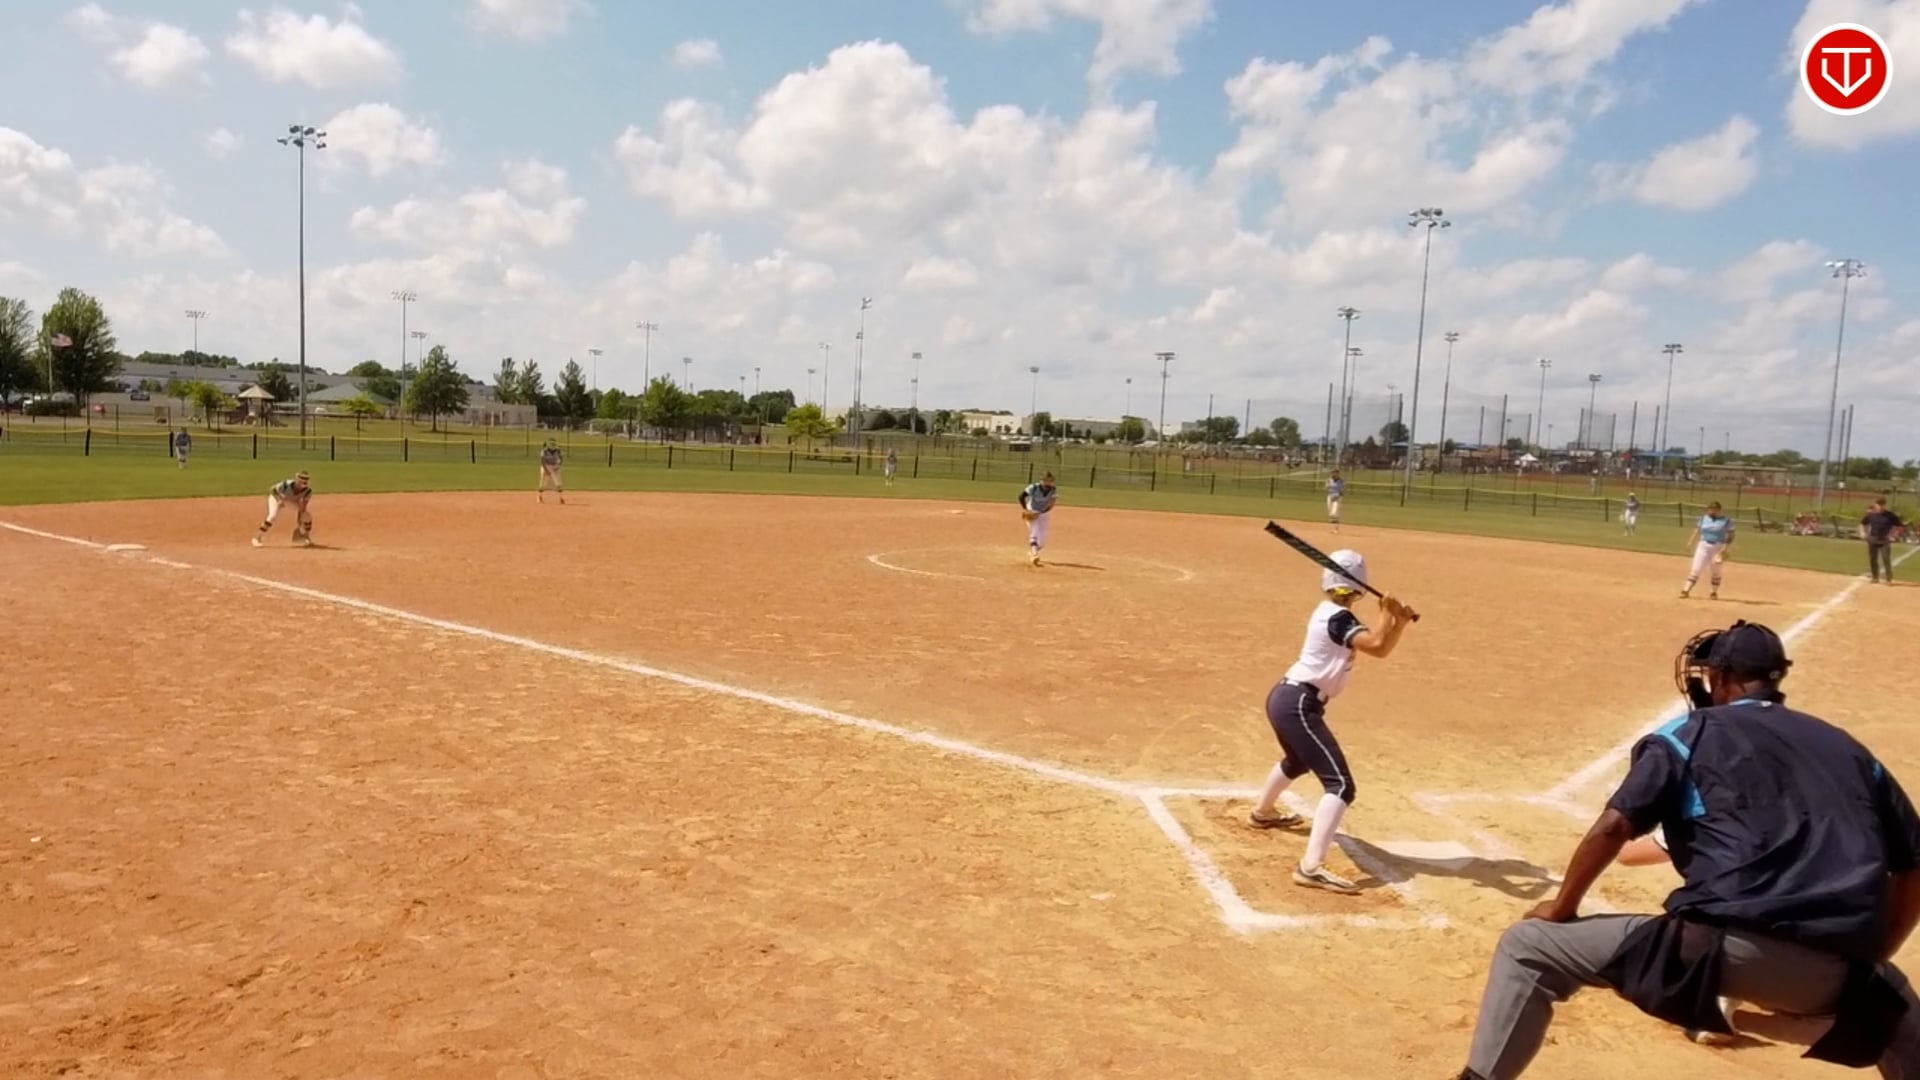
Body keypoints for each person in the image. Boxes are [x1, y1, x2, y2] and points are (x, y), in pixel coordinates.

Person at [1453, 621, 1920, 1079]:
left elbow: (1614, 827)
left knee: (1527, 946)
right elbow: (1913, 867)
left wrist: (1561, 906)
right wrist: (1874, 959)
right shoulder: (1850, 750)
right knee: (1900, 1011)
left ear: (1720, 676)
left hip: (1718, 953)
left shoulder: (1690, 732)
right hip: (1836, 974)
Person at [1248, 549, 1417, 894]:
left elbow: (1382, 647)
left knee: (1297, 761)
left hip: (1288, 698)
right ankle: (1310, 868)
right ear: (1358, 586)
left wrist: (1397, 621)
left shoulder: (1333, 614)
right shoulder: (1338, 618)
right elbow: (1375, 643)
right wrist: (1386, 612)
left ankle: (1262, 814)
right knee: (1340, 786)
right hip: (1298, 704)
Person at [1681, 501, 1734, 600]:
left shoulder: (1726, 521)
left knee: (1716, 571)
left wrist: (1724, 549)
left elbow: (1731, 536)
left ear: (1719, 510)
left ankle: (1713, 592)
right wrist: (1690, 542)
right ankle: (1685, 591)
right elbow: (1697, 530)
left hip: (1718, 547)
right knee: (1696, 568)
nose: (1712, 511)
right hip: (1703, 546)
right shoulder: (1703, 518)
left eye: (1714, 509)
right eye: (1710, 509)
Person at [253, 471, 313, 547]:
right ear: (296, 480)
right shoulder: (286, 484)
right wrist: (279, 500)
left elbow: (302, 509)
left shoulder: (307, 491)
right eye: (300, 482)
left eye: (304, 483)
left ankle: (306, 536)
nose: (302, 485)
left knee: (307, 516)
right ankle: (257, 538)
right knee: (272, 517)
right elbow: (273, 490)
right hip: (276, 498)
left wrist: (299, 524)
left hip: (289, 501)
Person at [1019, 472, 1057, 567]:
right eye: (1045, 480)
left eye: (1049, 480)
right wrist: (1026, 509)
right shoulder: (1034, 487)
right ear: (1041, 480)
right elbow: (1021, 496)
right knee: (1034, 531)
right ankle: (1035, 554)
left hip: (1043, 513)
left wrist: (1041, 512)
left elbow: (1051, 504)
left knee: (1042, 542)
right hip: (1031, 510)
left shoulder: (1053, 490)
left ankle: (1032, 551)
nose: (1047, 482)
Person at [1863, 498, 1905, 584]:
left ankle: (1888, 579)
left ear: (1885, 505)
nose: (1880, 506)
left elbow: (1900, 526)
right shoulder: (1871, 514)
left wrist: (1895, 536)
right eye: (1878, 504)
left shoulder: (1890, 515)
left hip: (1884, 541)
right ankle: (1875, 577)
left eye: (1882, 505)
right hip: (1873, 539)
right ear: (1875, 505)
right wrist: (1863, 532)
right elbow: (1862, 523)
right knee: (1873, 559)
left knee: (1886, 559)